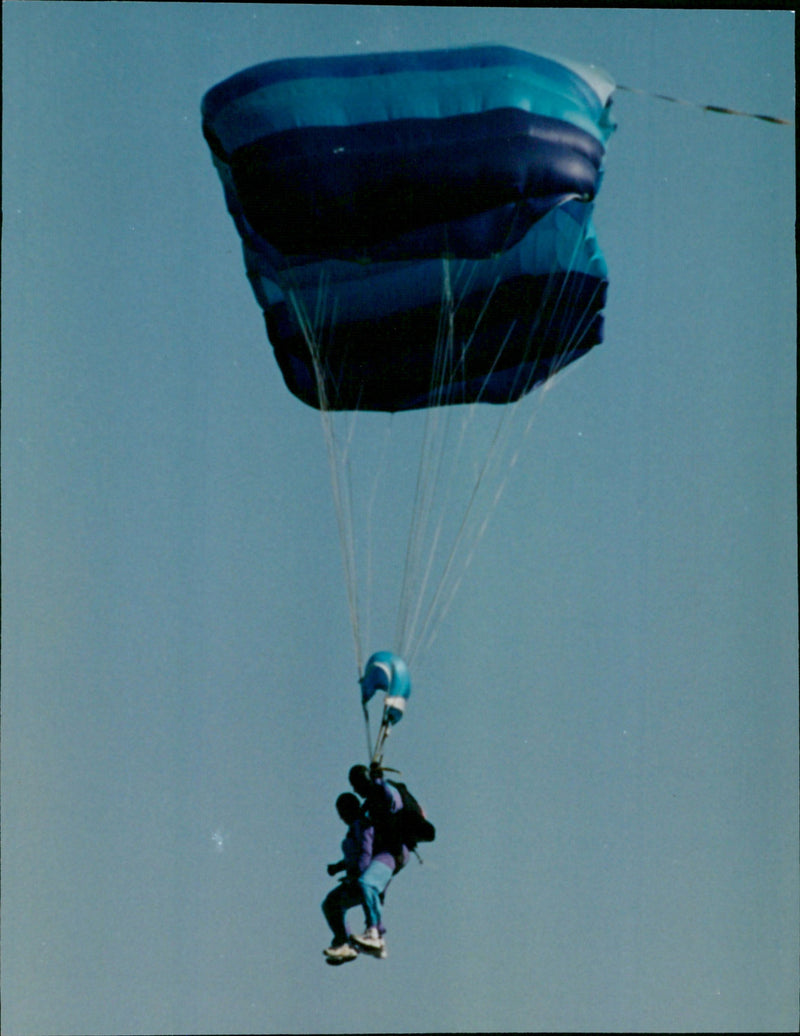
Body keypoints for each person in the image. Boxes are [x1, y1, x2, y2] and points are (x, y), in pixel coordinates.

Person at [346, 763, 411, 955]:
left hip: (394, 852)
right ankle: (377, 940)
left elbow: (393, 801)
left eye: (356, 785)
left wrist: (378, 780)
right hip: (385, 853)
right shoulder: (368, 806)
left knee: (366, 883)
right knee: (372, 890)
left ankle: (374, 933)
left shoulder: (384, 792)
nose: (355, 790)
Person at [320, 792, 374, 964]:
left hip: (363, 881)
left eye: (342, 812)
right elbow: (354, 855)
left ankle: (345, 943)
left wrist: (358, 876)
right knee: (332, 904)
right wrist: (338, 867)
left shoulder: (361, 825)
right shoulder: (355, 827)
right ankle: (344, 942)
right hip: (358, 878)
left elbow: (365, 852)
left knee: (332, 904)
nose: (341, 817)